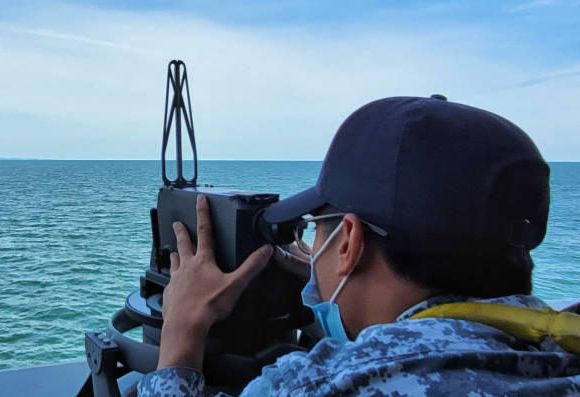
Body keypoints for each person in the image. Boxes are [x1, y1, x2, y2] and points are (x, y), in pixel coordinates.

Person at [137, 95, 580, 396]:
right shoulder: (563, 349)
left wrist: (181, 335)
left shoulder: (327, 383)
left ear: (348, 241)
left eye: (316, 228)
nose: (311, 250)